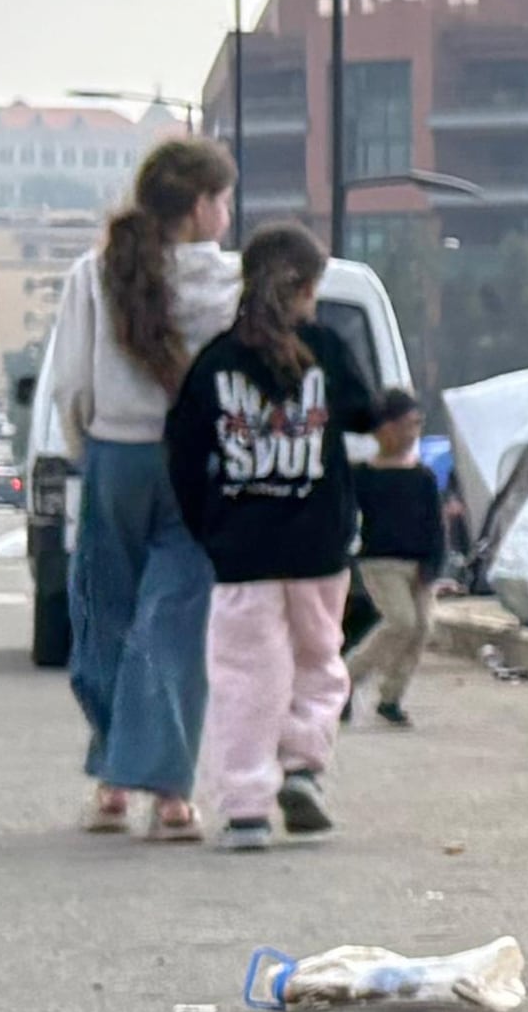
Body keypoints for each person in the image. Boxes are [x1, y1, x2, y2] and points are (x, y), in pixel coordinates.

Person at [30, 136, 242, 840]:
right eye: (223, 198)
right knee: (174, 623)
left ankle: (115, 779)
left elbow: (70, 381)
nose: (229, 213)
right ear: (200, 206)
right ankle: (171, 796)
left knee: (105, 616)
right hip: (196, 464)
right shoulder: (229, 285)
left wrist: (86, 441)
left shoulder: (95, 272)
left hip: (116, 457)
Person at [162, 220, 374, 852]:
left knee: (244, 677)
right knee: (319, 662)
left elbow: (181, 452)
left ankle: (246, 808)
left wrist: (211, 526)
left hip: (241, 550)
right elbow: (366, 414)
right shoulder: (328, 350)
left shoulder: (217, 361)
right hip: (319, 545)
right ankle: (304, 767)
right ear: (308, 287)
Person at [345, 388, 443, 729]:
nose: (411, 433)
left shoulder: (423, 478)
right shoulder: (363, 476)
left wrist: (432, 567)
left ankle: (391, 697)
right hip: (380, 562)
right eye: (405, 425)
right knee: (401, 621)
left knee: (420, 629)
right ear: (383, 429)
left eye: (417, 425)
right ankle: (345, 679)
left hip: (418, 565)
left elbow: (435, 527)